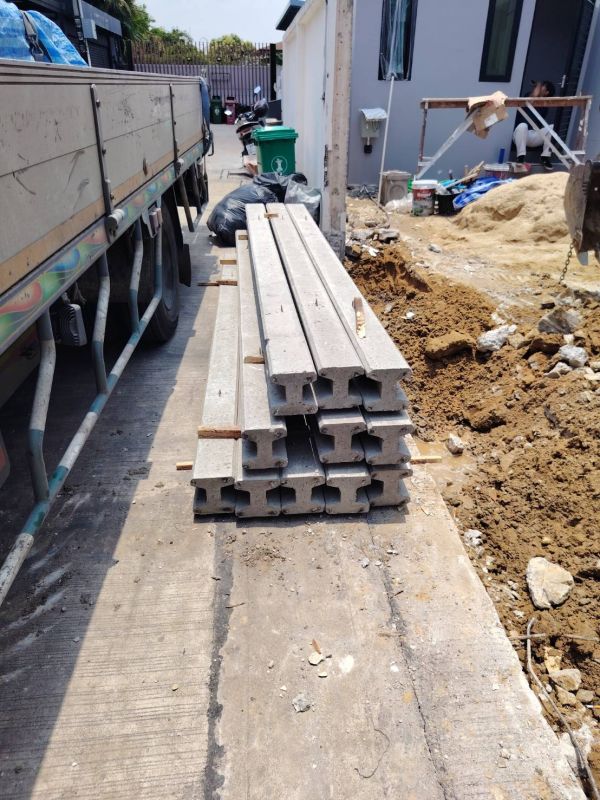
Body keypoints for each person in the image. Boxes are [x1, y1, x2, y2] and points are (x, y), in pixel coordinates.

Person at [513, 80, 556, 171]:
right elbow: (531, 99)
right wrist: (536, 91)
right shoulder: (528, 95)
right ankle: (520, 157)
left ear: (547, 92)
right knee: (523, 125)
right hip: (521, 135)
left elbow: (536, 100)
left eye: (542, 86)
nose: (540, 87)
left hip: (534, 135)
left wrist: (537, 93)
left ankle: (545, 157)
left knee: (551, 128)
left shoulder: (545, 104)